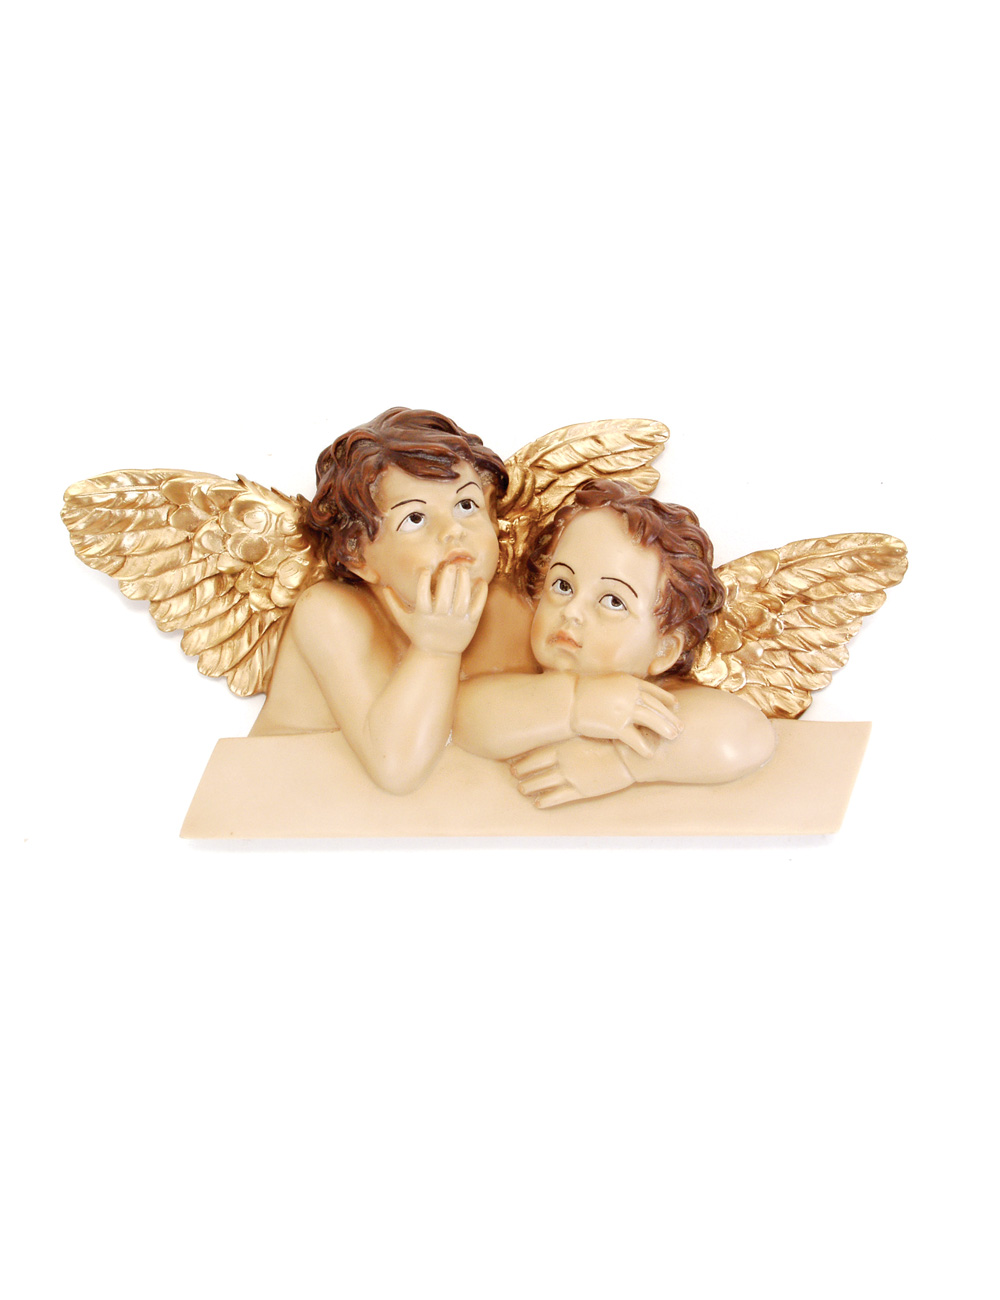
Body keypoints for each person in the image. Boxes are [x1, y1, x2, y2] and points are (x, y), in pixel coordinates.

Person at [452, 478, 775, 806]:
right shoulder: (506, 679)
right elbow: (460, 718)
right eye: (563, 586)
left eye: (613, 601)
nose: (572, 611)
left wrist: (621, 761)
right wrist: (577, 702)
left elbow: (747, 735)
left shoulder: (651, 703)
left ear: (664, 649)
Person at [250, 407, 513, 793]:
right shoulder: (329, 613)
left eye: (466, 505)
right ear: (358, 554)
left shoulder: (500, 607)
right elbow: (397, 768)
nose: (453, 531)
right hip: (283, 798)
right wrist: (436, 649)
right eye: (415, 519)